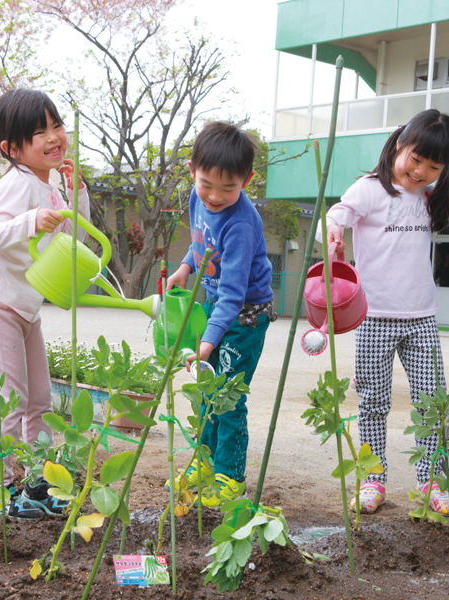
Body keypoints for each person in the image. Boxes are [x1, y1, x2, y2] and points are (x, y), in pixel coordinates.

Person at [324, 109, 449, 516]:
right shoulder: (369, 189)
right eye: (415, 159)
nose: (419, 172)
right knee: (372, 402)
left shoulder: (429, 197)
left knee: (430, 402)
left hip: (420, 316)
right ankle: (373, 478)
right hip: (373, 316)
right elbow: (335, 217)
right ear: (400, 144)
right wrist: (333, 235)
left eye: (432, 166)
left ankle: (431, 481)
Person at [0, 88, 90, 519]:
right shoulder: (16, 184)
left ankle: (38, 481)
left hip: (24, 307)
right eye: (41, 132)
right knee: (10, 400)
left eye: (56, 126)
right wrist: (30, 220)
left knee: (39, 398)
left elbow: (78, 237)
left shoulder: (50, 185)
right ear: (12, 149)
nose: (54, 137)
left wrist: (76, 191)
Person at [166, 121, 276, 508]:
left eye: (228, 188)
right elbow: (200, 241)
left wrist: (208, 343)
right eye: (206, 184)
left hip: (244, 314)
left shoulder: (242, 224)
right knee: (205, 391)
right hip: (215, 306)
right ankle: (205, 460)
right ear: (193, 169)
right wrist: (185, 267)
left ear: (246, 181)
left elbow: (232, 295)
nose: (214, 197)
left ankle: (231, 477)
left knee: (227, 396)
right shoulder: (199, 198)